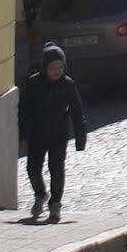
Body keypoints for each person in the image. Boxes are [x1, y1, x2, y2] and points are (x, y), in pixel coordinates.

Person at [17, 43, 87, 223]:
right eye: (53, 67)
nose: (57, 71)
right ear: (44, 67)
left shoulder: (67, 85)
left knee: (56, 170)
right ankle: (40, 194)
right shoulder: (33, 84)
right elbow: (23, 110)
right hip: (36, 134)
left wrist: (80, 138)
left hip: (58, 135)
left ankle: (55, 204)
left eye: (60, 67)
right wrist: (23, 135)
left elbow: (77, 111)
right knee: (32, 168)